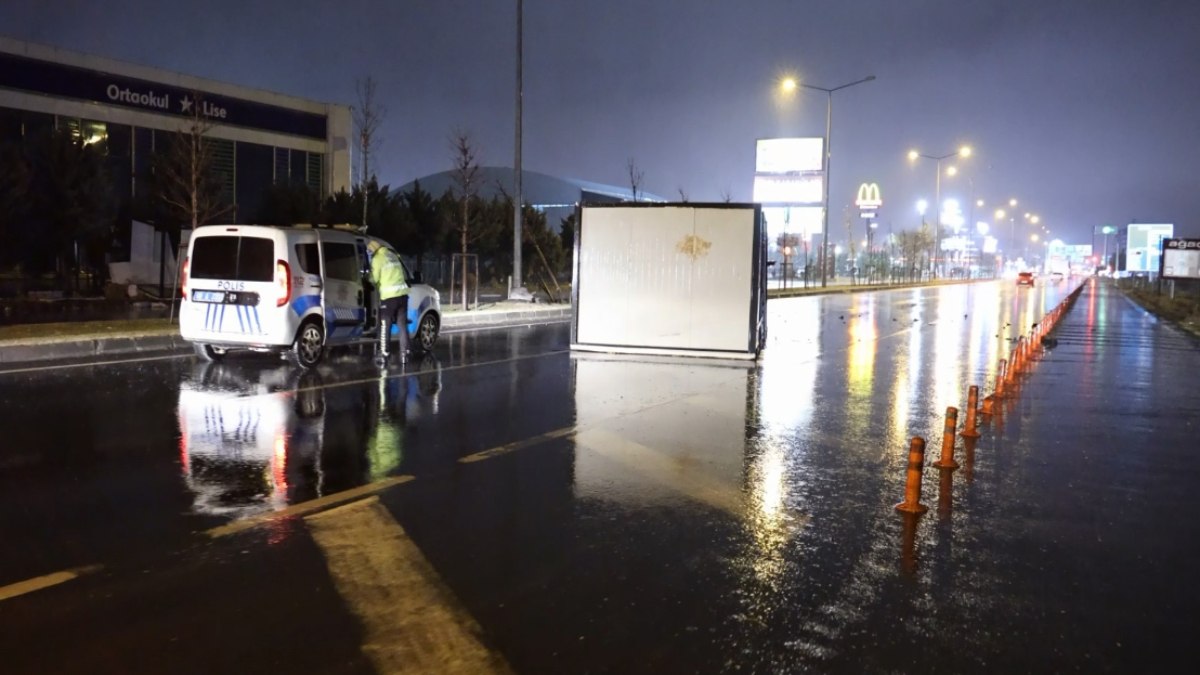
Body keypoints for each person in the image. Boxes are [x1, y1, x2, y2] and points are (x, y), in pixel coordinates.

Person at [368, 239, 410, 364]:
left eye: (369, 251)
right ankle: (405, 354)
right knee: (402, 325)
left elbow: (374, 279)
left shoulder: (377, 259)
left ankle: (384, 353)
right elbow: (403, 273)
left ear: (373, 251)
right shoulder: (392, 255)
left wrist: (366, 277)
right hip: (402, 295)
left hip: (389, 297)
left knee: (385, 325)